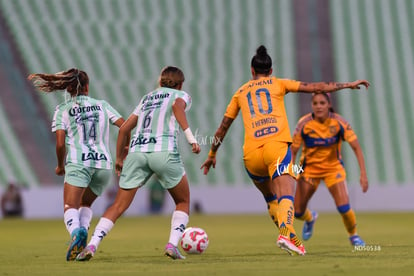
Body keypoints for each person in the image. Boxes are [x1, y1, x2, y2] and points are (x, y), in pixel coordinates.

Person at [200, 45, 369, 256]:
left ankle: (293, 239)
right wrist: (347, 85)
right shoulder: (279, 83)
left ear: (252, 71)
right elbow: (317, 86)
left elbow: (222, 128)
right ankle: (285, 233)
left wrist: (212, 154)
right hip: (276, 147)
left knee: (271, 199)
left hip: (251, 154)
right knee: (286, 193)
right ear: (271, 71)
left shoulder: (240, 92)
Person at [76, 66, 200, 261]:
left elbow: (124, 129)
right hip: (163, 152)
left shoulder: (147, 98)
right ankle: (172, 245)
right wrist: (191, 138)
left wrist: (119, 158)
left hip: (137, 153)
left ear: (160, 82)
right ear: (180, 83)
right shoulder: (181, 95)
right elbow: (177, 107)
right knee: (183, 201)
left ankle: (92, 245)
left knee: (118, 205)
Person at [28, 68, 127, 261]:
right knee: (86, 203)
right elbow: (125, 127)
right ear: (87, 87)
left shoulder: (62, 110)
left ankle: (76, 233)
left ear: (68, 89)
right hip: (103, 165)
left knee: (69, 206)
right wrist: (121, 155)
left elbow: (59, 143)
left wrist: (60, 166)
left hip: (79, 162)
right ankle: (81, 243)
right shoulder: (102, 105)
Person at [291, 92, 368, 246]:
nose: (318, 106)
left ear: (329, 105)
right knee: (298, 212)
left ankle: (354, 236)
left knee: (344, 207)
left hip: (333, 169)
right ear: (312, 105)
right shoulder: (304, 124)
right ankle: (310, 218)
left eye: (322, 103)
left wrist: (363, 174)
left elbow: (356, 147)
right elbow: (293, 150)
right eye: (315, 103)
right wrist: (291, 171)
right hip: (309, 171)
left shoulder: (340, 123)